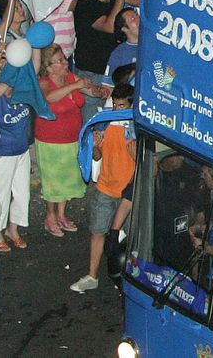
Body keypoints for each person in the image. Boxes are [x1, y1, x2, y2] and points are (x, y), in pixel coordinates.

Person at [71, 82, 136, 293]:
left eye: (122, 105)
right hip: (105, 188)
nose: (118, 109)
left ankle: (133, 281)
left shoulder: (137, 126)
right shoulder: (105, 123)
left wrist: (132, 144)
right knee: (97, 233)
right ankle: (92, 275)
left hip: (129, 193)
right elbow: (97, 156)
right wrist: (96, 146)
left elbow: (142, 163)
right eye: (115, 105)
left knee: (133, 238)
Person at [36, 46, 87, 238]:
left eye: (64, 59)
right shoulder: (44, 82)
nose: (66, 63)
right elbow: (50, 97)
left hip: (71, 138)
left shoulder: (71, 77)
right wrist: (76, 86)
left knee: (66, 178)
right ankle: (50, 217)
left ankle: (61, 214)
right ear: (49, 67)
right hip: (50, 140)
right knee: (53, 182)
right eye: (60, 61)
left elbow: (89, 91)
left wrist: (98, 90)